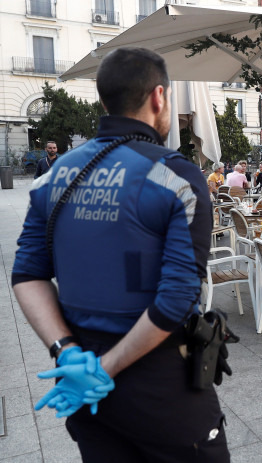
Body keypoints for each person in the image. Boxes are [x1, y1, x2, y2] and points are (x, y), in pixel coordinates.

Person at [12, 47, 228, 462]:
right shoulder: (175, 174)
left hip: (84, 389)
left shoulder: (55, 174)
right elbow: (178, 296)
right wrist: (106, 369)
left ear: (104, 98)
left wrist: (68, 353)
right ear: (159, 97)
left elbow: (27, 275)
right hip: (161, 386)